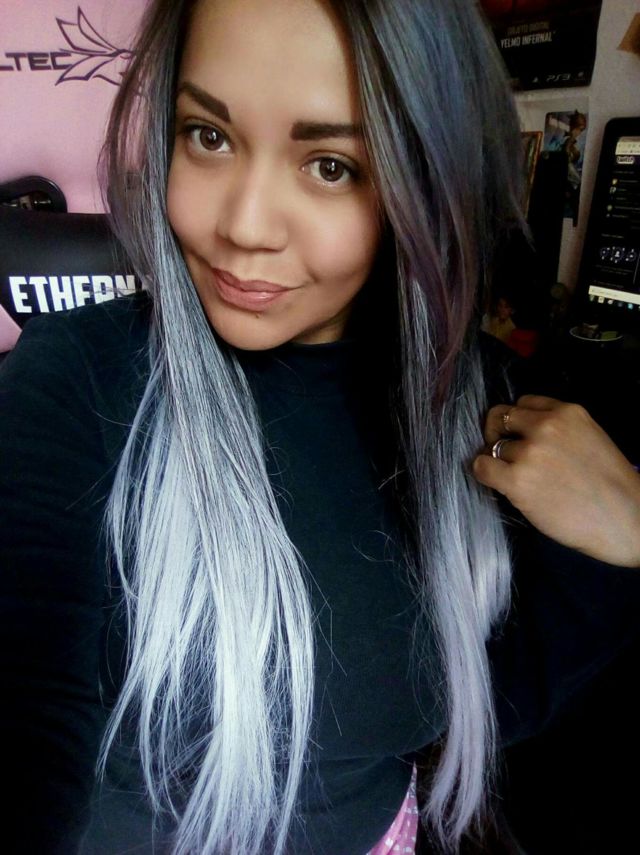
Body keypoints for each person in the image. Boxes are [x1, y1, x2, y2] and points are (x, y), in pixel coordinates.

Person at [1, 1, 639, 854]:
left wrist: (622, 544)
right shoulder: (73, 381)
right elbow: (27, 705)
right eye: (209, 136)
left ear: (425, 180)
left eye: (331, 165)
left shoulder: (484, 406)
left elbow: (476, 703)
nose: (244, 226)